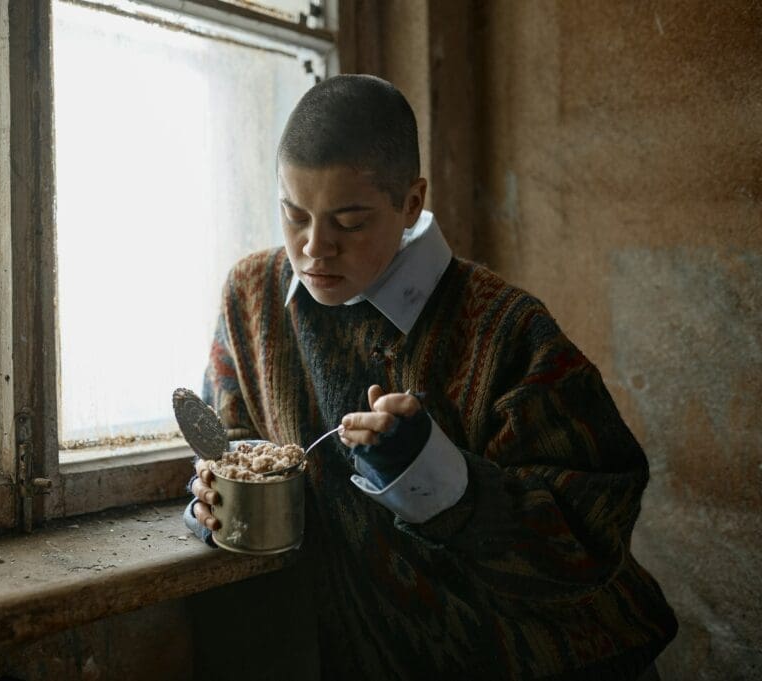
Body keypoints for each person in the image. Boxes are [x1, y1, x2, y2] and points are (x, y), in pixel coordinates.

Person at [183, 74, 677, 679]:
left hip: (560, 658)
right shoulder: (251, 298)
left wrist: (439, 480)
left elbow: (596, 526)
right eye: (294, 214)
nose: (314, 248)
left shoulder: (507, 328)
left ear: (411, 203)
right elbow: (227, 448)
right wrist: (217, 504)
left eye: (351, 221)